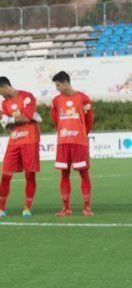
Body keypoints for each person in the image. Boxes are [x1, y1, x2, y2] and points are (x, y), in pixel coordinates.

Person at [0, 76, 42, 219]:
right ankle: (1, 208)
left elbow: (26, 117)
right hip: (14, 140)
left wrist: (11, 119)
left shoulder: (27, 97)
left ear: (6, 86)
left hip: (30, 139)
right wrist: (12, 120)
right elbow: (6, 125)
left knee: (29, 174)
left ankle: (27, 207)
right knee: (5, 174)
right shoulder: (4, 104)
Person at [51, 71, 94, 216]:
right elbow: (56, 120)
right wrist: (64, 132)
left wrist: (82, 133)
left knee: (84, 173)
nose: (57, 88)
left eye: (58, 85)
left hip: (79, 142)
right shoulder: (56, 101)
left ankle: (86, 207)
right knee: (64, 174)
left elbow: (89, 120)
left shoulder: (83, 98)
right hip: (63, 142)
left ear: (65, 83)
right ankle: (66, 208)